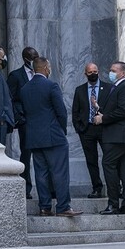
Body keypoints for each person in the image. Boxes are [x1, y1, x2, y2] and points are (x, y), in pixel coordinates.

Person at [20, 57, 82, 217]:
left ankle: (44, 207)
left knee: (41, 174)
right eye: (49, 67)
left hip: (34, 138)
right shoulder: (51, 85)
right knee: (59, 172)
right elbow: (61, 112)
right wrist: (61, 131)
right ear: (46, 68)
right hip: (54, 136)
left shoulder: (25, 88)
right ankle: (63, 207)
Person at [94, 61, 125, 215]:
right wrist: (99, 109)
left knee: (108, 164)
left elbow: (122, 111)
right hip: (116, 135)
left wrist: (103, 118)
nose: (110, 72)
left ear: (122, 73)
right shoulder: (117, 87)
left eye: (113, 70)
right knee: (123, 169)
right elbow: (115, 109)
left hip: (118, 136)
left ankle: (113, 204)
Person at [7, 47, 40, 199]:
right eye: (32, 58)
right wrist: (19, 117)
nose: (35, 60)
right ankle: (26, 188)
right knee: (26, 155)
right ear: (26, 59)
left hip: (40, 120)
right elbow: (11, 98)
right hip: (26, 122)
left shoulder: (41, 75)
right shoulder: (16, 76)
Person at [71, 63, 107, 198]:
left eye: (95, 71)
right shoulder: (79, 90)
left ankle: (115, 188)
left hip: (104, 128)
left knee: (109, 160)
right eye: (90, 72)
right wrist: (79, 128)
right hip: (87, 129)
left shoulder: (107, 88)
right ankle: (97, 188)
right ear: (85, 74)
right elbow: (75, 111)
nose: (93, 74)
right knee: (91, 160)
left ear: (99, 72)